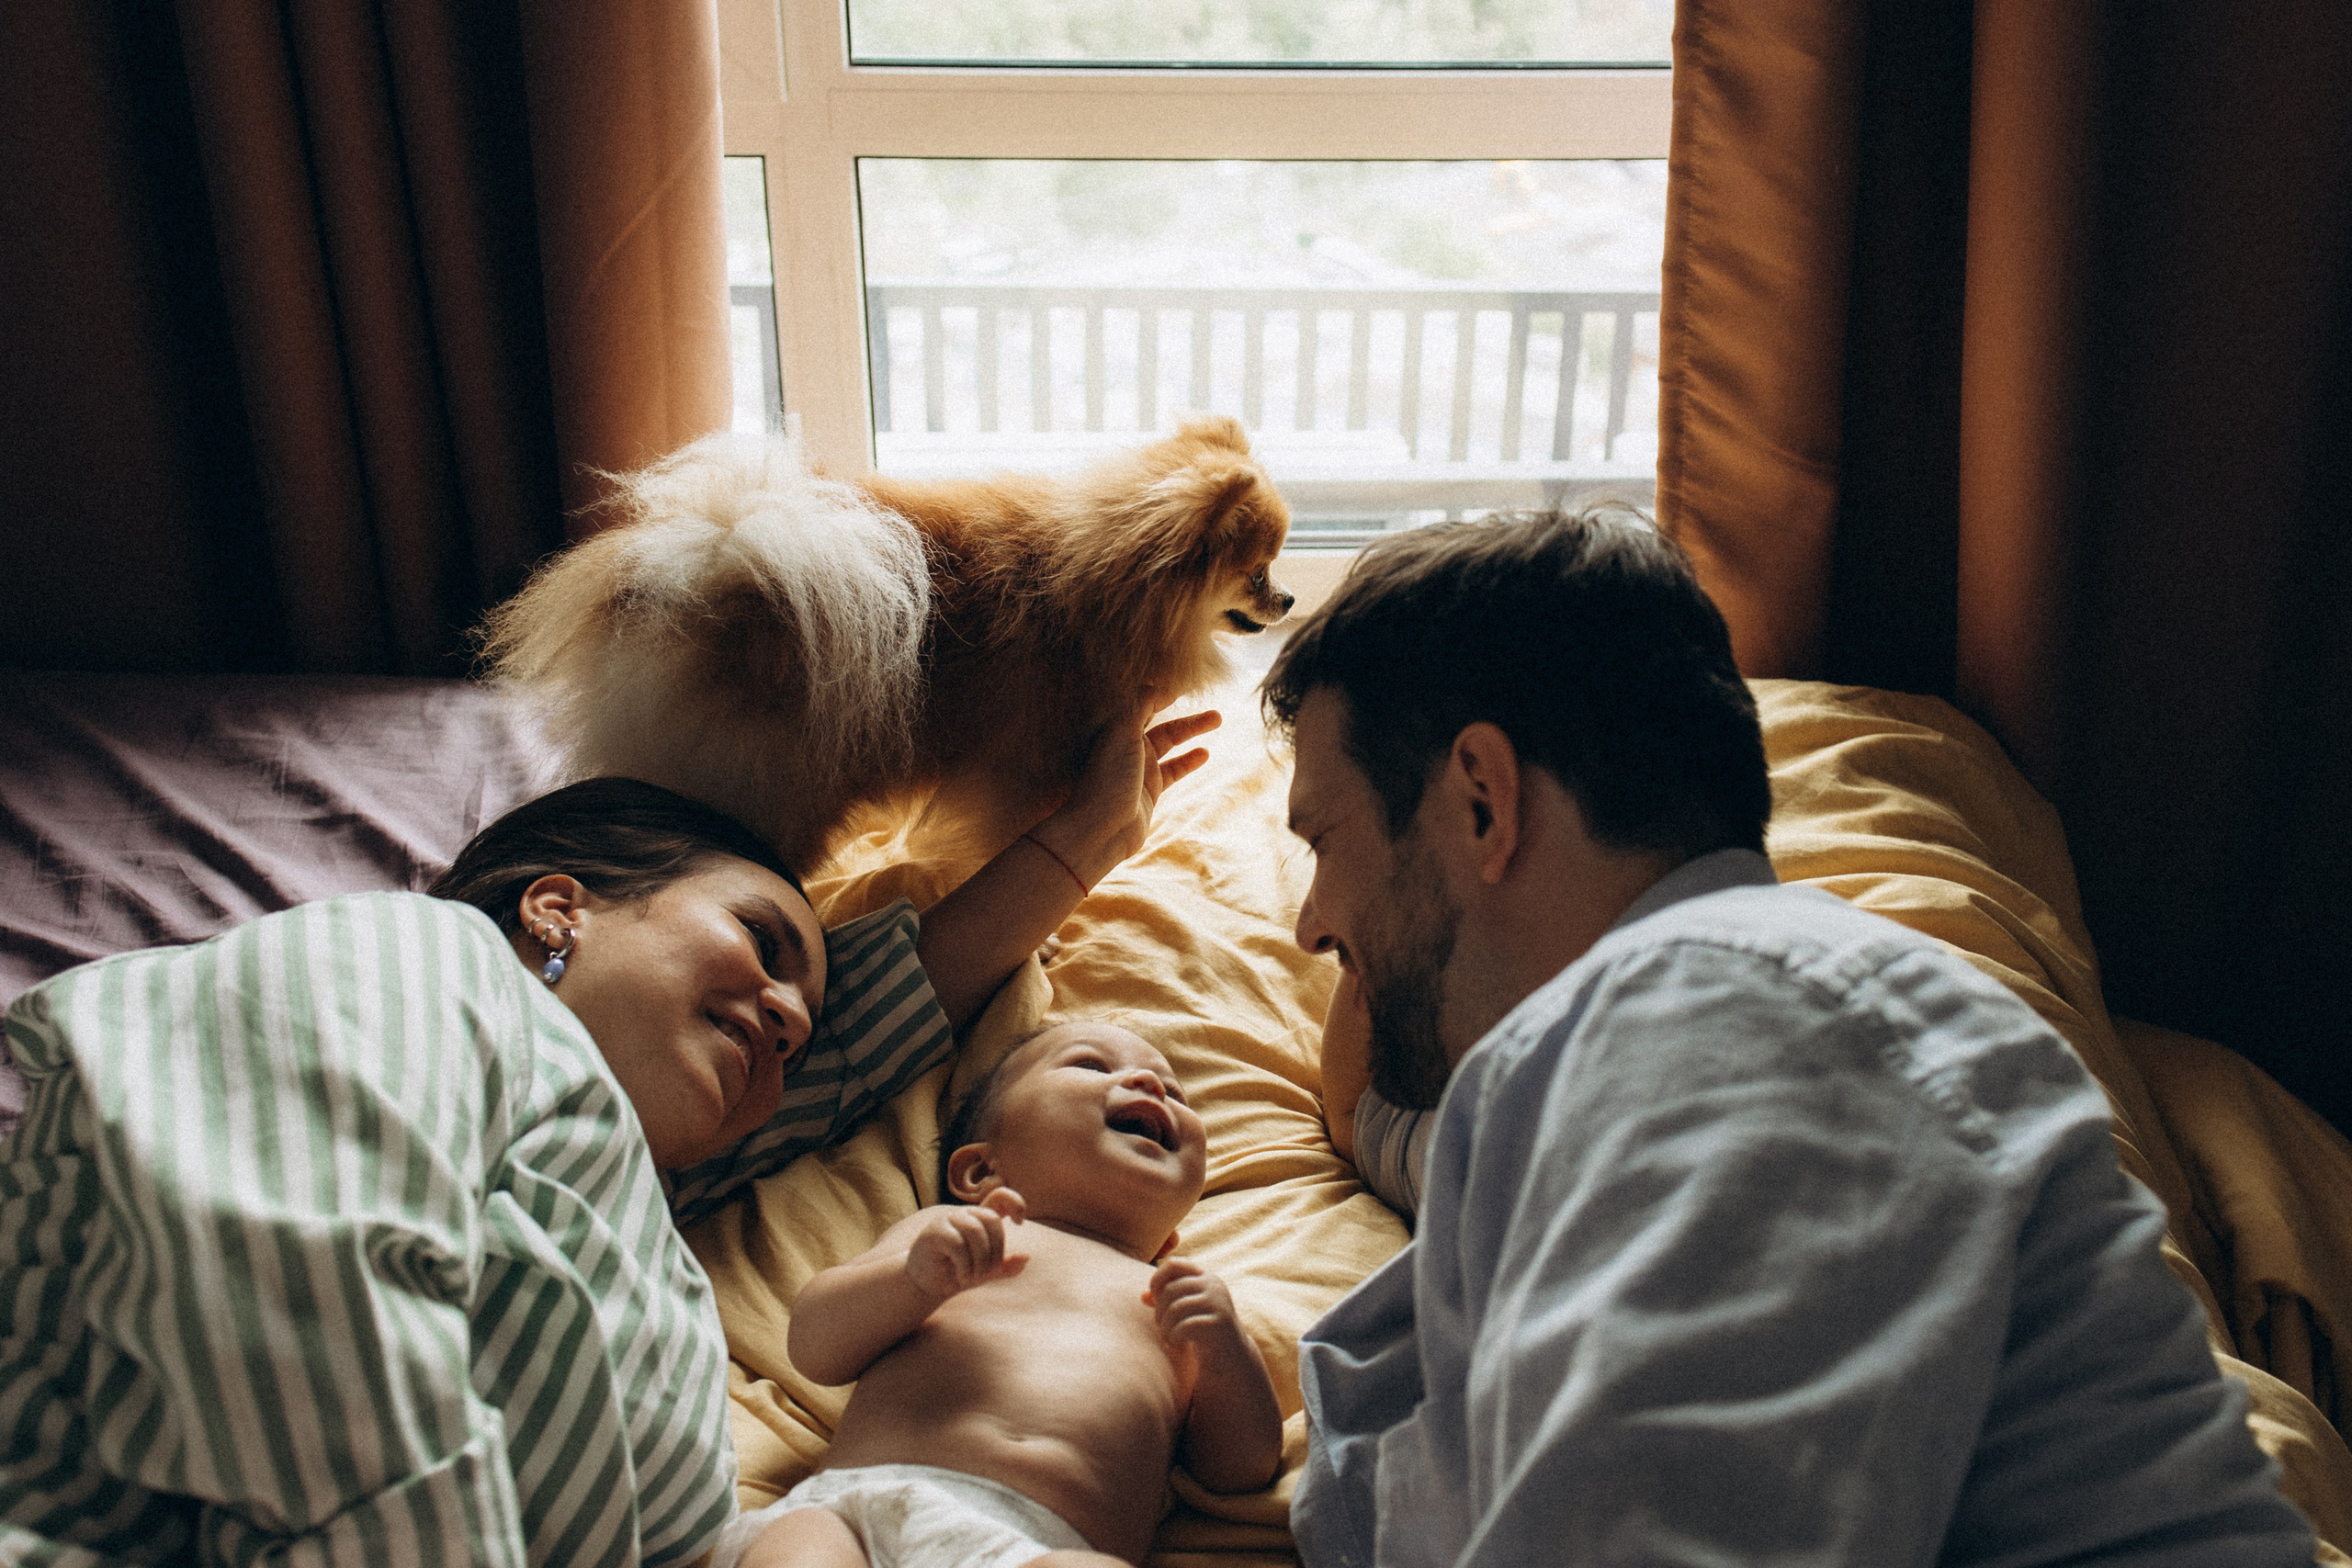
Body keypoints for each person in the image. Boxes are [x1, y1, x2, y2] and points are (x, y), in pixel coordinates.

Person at [1261, 509, 2316, 1566]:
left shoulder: (1738, 1021)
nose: (1310, 923)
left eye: (1323, 839)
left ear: (1483, 801)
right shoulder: (1644, 1056)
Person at [0, 705, 1216, 1567]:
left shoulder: (622, 1188)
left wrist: (1093, 837)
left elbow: (859, 1048)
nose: (792, 1014)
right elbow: (294, 1271)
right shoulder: (413, 959)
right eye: (762, 942)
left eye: (793, 1034)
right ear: (557, 906)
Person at [717, 1021, 1283, 1568]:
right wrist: (910, 1283)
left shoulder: (1175, 1301)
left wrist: (1226, 1353)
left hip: (1043, 1547)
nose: (1152, 1085)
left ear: (1170, 1238)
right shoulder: (948, 1240)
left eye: (1177, 1092)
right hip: (860, 1511)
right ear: (981, 1171)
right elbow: (815, 1346)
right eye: (1091, 1064)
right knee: (801, 1541)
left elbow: (1239, 1471)